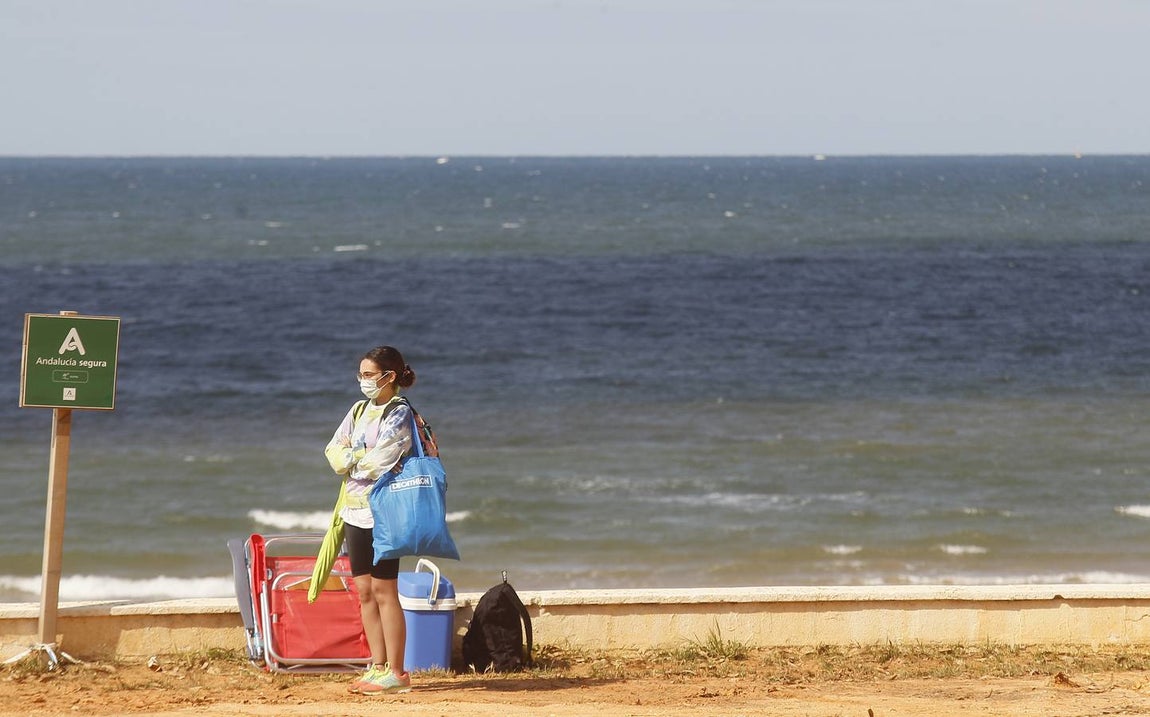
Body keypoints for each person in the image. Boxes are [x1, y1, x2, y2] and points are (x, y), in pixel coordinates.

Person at [324, 345, 417, 695]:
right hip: (353, 509)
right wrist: (353, 458)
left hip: (385, 510)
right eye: (360, 374)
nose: (362, 381)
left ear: (389, 377)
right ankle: (376, 666)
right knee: (364, 590)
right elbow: (333, 451)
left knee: (384, 589)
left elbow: (383, 458)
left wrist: (353, 458)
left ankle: (397, 671)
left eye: (368, 375)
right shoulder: (359, 409)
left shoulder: (399, 413)